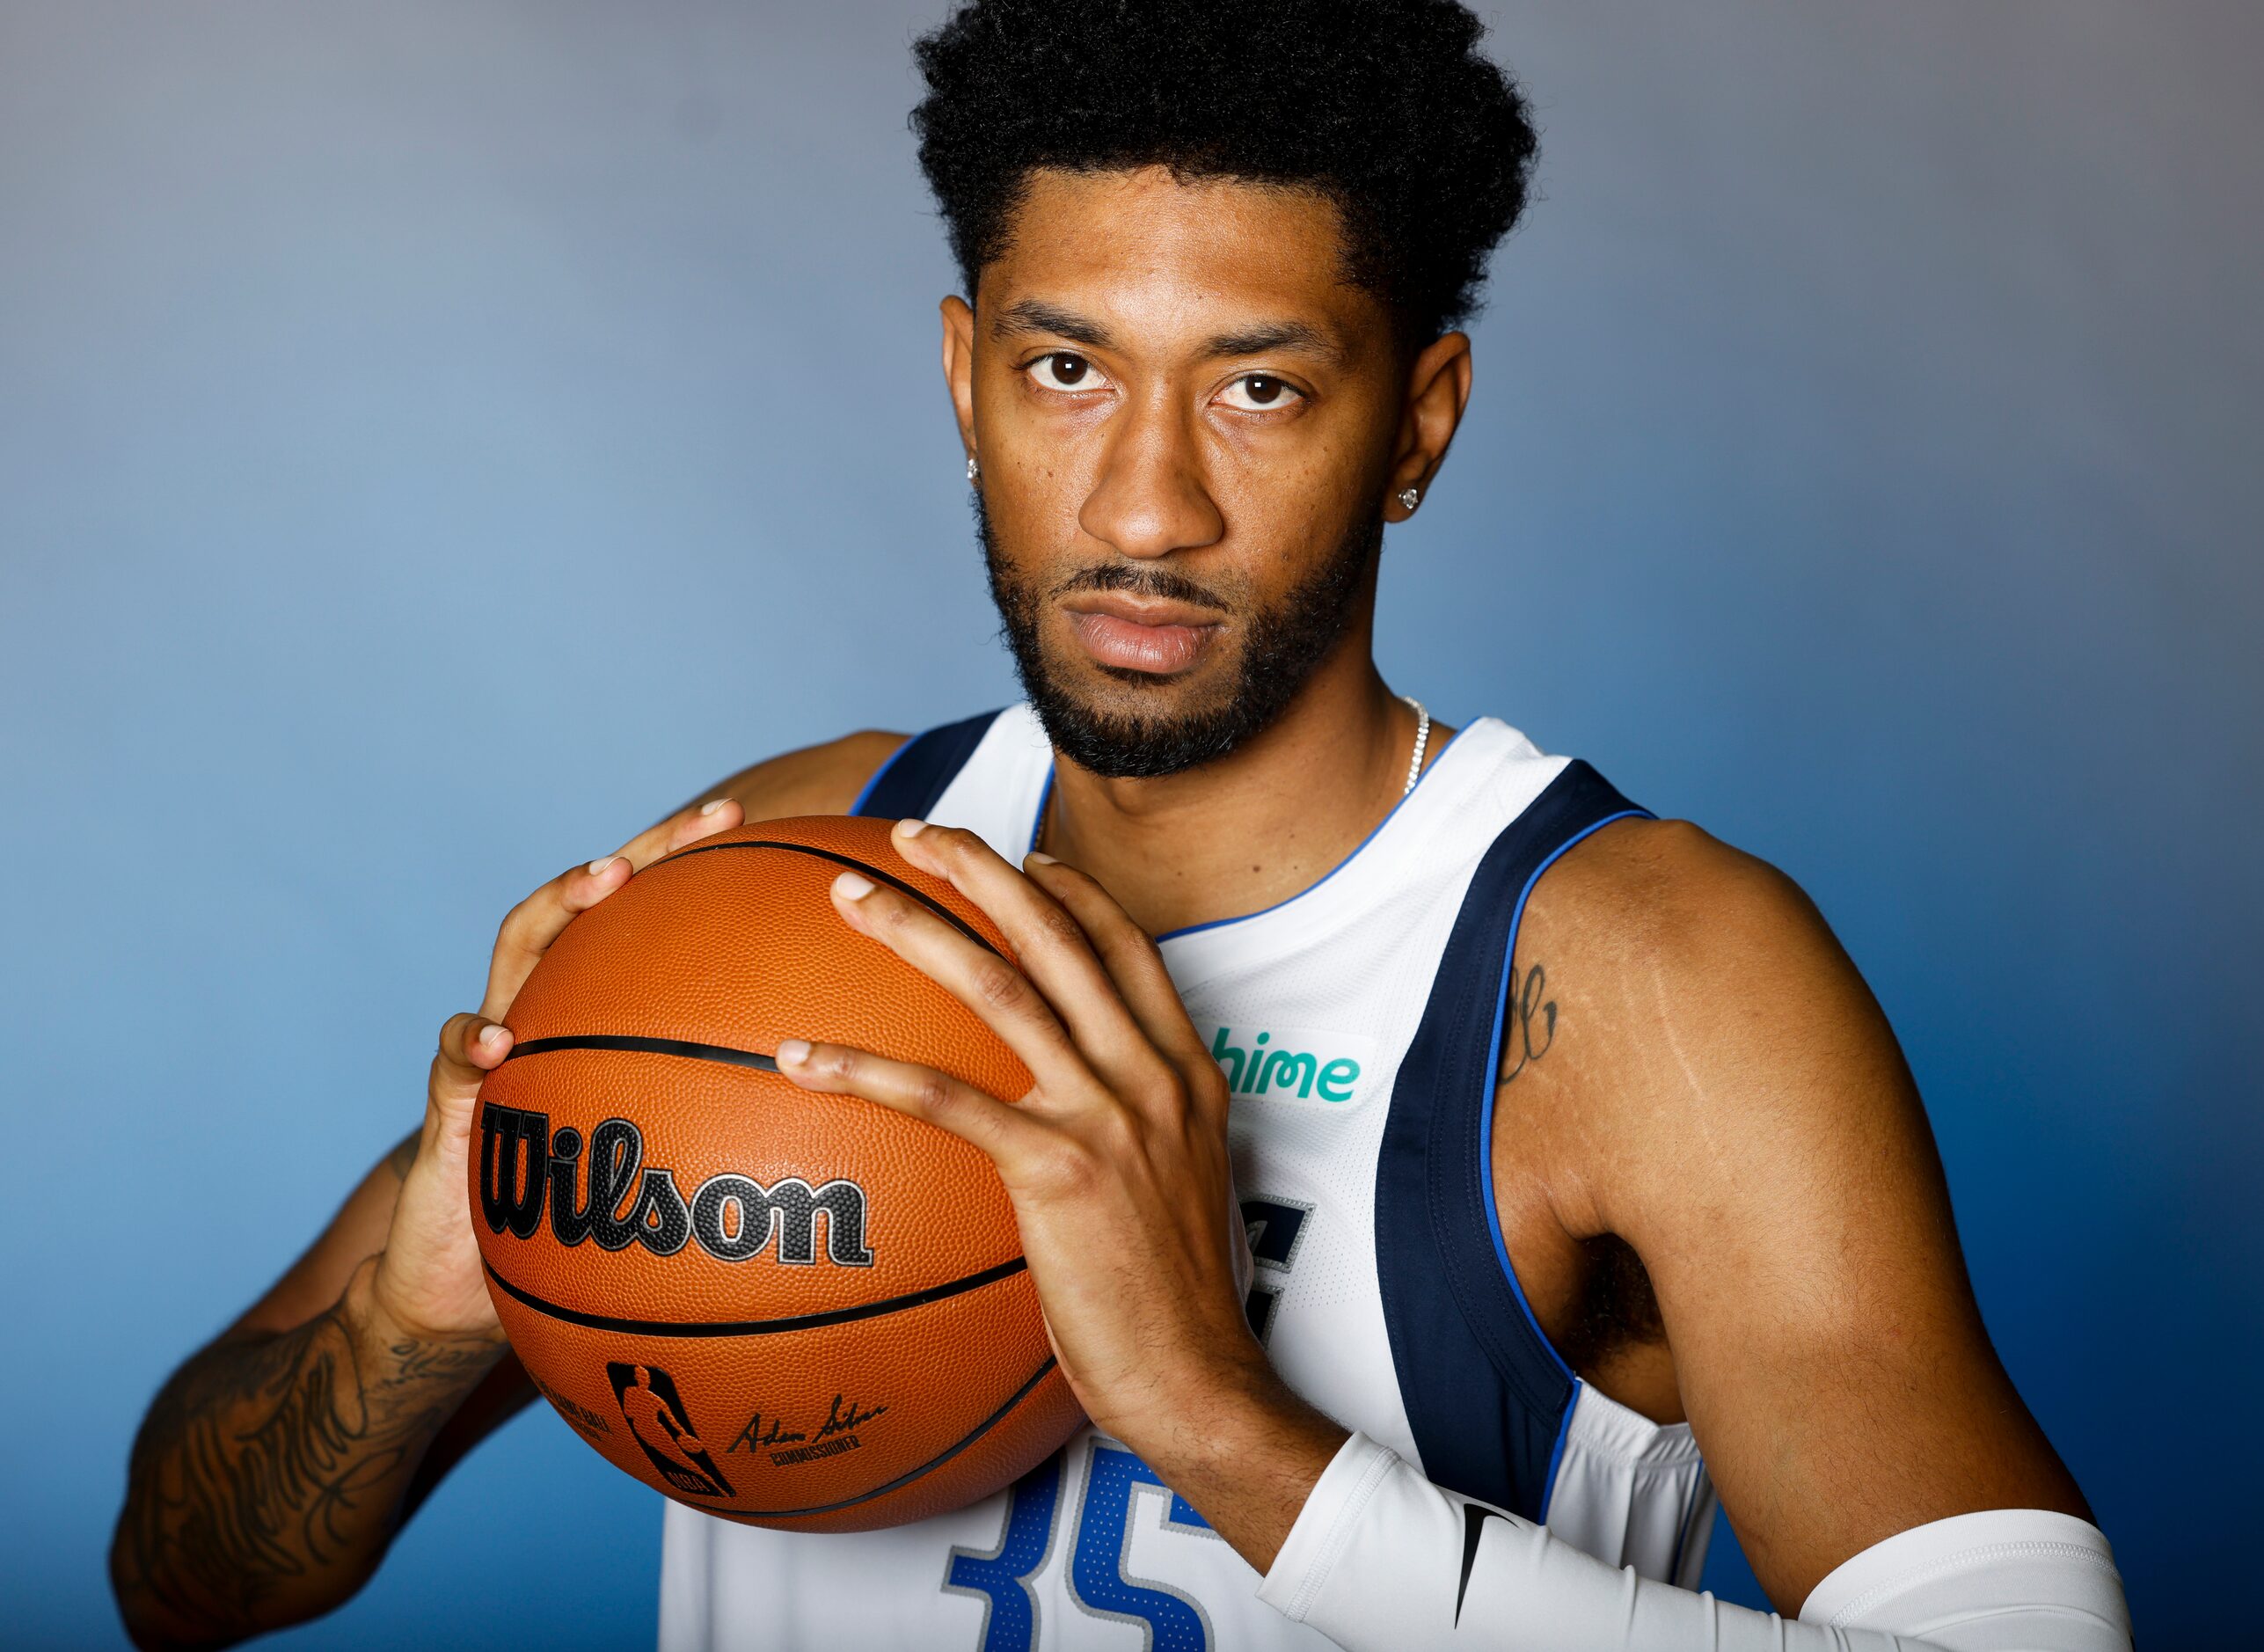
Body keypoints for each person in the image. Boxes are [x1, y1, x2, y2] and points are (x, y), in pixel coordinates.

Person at [110, 2, 2134, 1648]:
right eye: (1067, 367)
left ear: (1417, 422)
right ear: (965, 378)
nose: (1145, 504)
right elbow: (180, 1578)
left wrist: (1220, 1427)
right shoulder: (784, 871)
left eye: (1258, 390)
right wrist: (413, 1319)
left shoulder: (1642, 983)